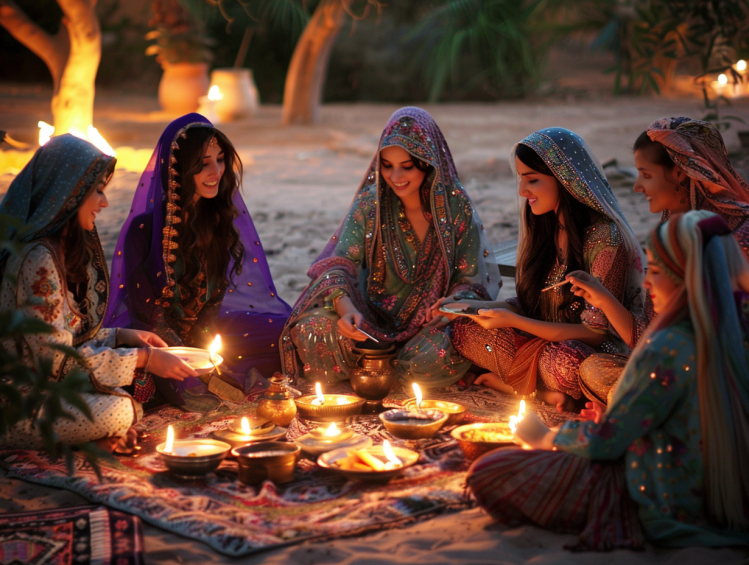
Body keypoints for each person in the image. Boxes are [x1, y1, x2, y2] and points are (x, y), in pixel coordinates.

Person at [468, 211, 749, 549]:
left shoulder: (668, 346)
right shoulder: (736, 326)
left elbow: (607, 442)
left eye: (656, 273)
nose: (646, 283)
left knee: (493, 470)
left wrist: (546, 436)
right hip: (721, 491)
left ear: (687, 278)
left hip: (661, 493)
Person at [279, 107, 500, 388]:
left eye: (406, 166)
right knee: (313, 330)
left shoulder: (456, 206)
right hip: (368, 320)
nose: (395, 176)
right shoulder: (371, 204)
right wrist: (346, 310)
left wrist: (449, 307)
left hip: (430, 327)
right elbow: (339, 264)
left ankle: (384, 367)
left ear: (428, 162)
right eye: (386, 165)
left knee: (436, 354)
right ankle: (380, 364)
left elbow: (470, 280)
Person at [0, 135, 194, 451]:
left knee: (122, 400)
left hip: (45, 387)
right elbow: (55, 360)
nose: (104, 203)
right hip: (16, 400)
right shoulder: (37, 258)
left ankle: (100, 439)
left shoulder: (56, 249)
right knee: (121, 408)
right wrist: (144, 360)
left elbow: (66, 336)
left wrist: (122, 337)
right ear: (69, 194)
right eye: (98, 191)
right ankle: (96, 441)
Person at [445, 127, 646, 409]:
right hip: (541, 341)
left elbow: (594, 333)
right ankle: (536, 389)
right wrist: (479, 307)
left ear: (566, 181)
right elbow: (533, 303)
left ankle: (524, 387)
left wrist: (514, 322)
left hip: (585, 352)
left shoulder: (605, 240)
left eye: (533, 180)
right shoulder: (546, 227)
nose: (522, 191)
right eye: (521, 179)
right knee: (464, 330)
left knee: (567, 365)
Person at [105, 114, 291, 408]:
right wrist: (187, 358)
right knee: (177, 392)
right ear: (179, 168)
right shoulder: (143, 232)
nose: (216, 171)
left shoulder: (218, 223)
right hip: (155, 344)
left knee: (284, 336)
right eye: (204, 163)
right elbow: (145, 315)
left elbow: (212, 305)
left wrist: (205, 353)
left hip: (201, 338)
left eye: (220, 160)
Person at [573, 116, 749, 405]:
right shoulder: (668, 229)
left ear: (680, 173)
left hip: (724, 379)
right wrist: (602, 296)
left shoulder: (738, 235)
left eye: (646, 174)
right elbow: (649, 338)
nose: (637, 186)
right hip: (676, 370)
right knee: (594, 369)